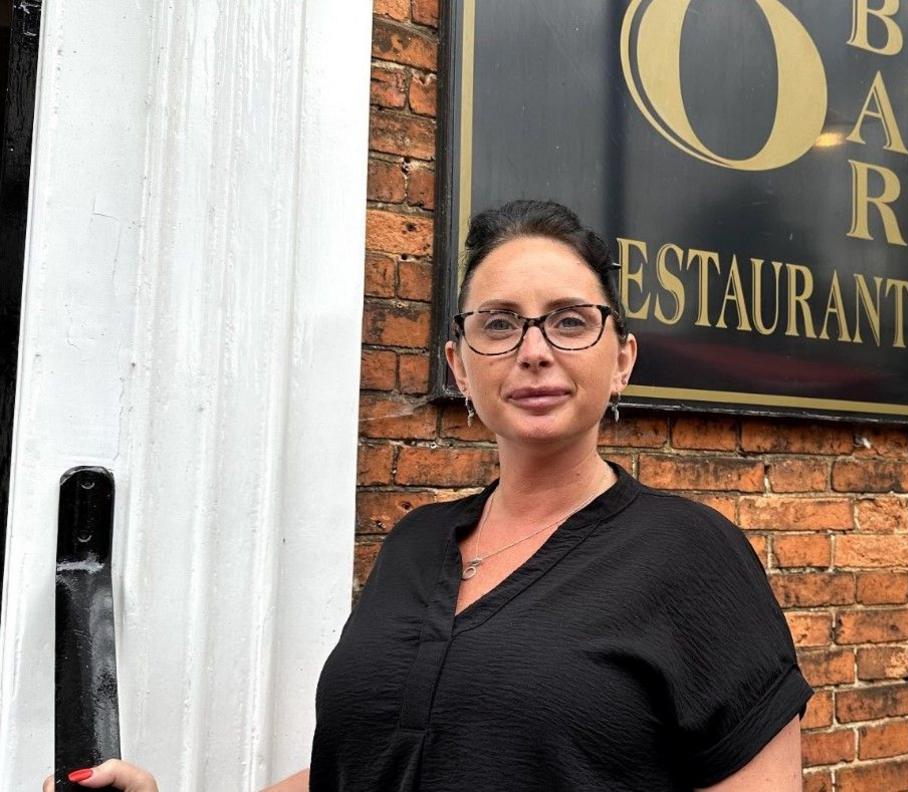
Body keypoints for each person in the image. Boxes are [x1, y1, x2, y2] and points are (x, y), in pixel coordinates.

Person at [46, 199, 811, 791]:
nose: (535, 351)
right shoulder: (416, 545)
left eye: (571, 322)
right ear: (458, 364)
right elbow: (349, 774)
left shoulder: (692, 556)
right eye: (500, 323)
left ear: (622, 361)